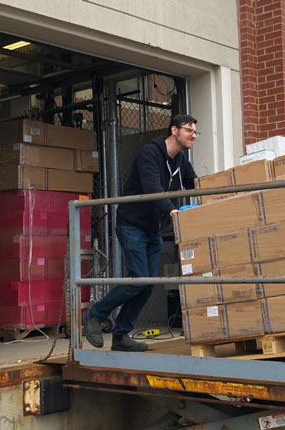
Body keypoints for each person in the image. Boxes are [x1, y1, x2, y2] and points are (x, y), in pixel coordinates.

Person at [84, 114, 198, 351]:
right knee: (138, 279)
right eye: (189, 130)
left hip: (152, 229)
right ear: (174, 130)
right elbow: (151, 188)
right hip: (132, 224)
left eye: (196, 131)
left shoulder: (180, 159)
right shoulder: (150, 153)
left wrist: (216, 195)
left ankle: (121, 336)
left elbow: (193, 182)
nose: (193, 135)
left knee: (147, 284)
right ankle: (95, 314)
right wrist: (172, 211)